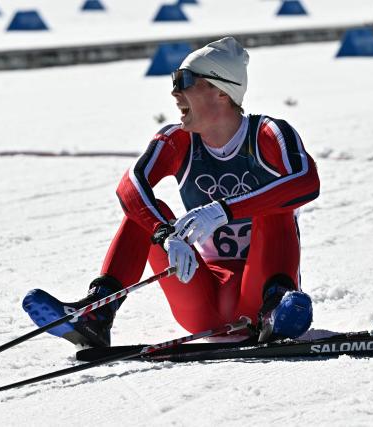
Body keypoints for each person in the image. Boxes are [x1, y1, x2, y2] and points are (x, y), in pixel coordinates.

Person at [23, 37, 320, 347]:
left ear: (221, 92)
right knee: (147, 212)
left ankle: (276, 311)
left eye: (185, 81)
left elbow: (306, 181)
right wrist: (163, 233)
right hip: (203, 297)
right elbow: (130, 186)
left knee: (276, 209)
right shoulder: (178, 139)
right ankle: (97, 314)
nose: (174, 92)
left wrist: (222, 210)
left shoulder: (267, 133)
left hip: (259, 294)